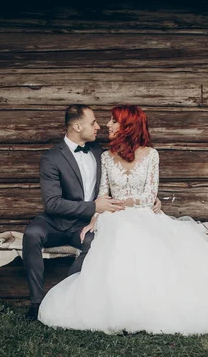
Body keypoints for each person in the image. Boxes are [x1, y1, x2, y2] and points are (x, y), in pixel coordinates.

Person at [38, 105, 208, 334]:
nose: (108, 124)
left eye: (113, 120)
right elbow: (102, 194)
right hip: (115, 217)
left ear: (127, 126)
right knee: (118, 239)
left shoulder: (151, 155)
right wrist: (95, 217)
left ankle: (160, 307)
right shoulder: (107, 157)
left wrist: (129, 203)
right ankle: (123, 307)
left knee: (156, 250)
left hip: (143, 215)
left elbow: (150, 195)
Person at [22, 104, 161, 320]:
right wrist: (94, 207)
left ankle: (65, 298)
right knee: (31, 235)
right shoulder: (51, 158)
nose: (99, 126)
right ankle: (36, 302)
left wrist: (151, 200)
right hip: (55, 221)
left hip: (85, 223)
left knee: (95, 246)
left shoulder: (101, 153)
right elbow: (52, 204)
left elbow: (124, 179)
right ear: (78, 126)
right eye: (93, 122)